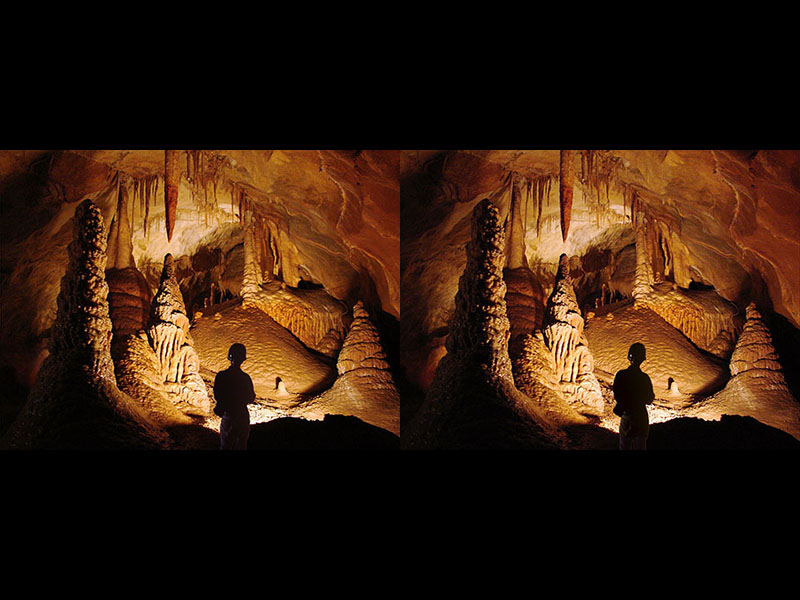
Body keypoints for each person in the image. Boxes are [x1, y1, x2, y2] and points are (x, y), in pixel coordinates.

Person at [613, 342, 655, 450]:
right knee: (640, 446)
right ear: (642, 359)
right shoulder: (644, 378)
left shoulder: (621, 375)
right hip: (640, 417)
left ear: (629, 357)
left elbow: (617, 394)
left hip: (627, 416)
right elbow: (650, 398)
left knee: (624, 446)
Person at [214, 343, 256, 450]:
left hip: (229, 414)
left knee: (225, 445)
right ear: (242, 359)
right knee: (241, 446)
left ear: (229, 357)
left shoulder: (222, 376)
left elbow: (217, 394)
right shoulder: (245, 378)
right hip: (242, 415)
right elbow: (251, 397)